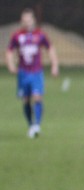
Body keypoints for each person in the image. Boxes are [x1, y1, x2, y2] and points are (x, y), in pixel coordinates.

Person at [5, 7, 59, 139]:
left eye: (29, 20)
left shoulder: (40, 34)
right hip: (23, 73)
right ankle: (30, 125)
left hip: (36, 72)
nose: (27, 22)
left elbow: (50, 48)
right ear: (21, 21)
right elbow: (9, 51)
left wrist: (54, 65)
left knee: (37, 97)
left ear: (33, 20)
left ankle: (37, 125)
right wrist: (11, 65)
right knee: (26, 100)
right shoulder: (17, 35)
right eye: (24, 20)